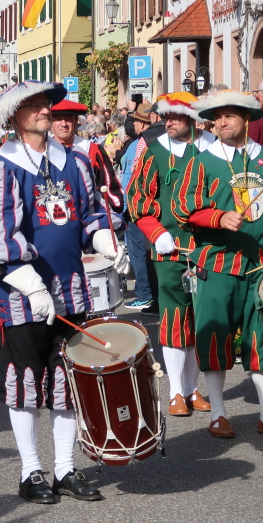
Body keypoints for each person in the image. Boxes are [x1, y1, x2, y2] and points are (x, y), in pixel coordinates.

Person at [0, 80, 112, 504]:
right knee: (25, 382)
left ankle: (66, 469)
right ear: (12, 118)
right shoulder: (1, 167)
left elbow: (90, 215)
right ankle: (30, 471)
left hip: (71, 288)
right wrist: (32, 286)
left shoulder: (75, 162)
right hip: (22, 293)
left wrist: (107, 242)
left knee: (66, 381)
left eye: (45, 105)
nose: (44, 111)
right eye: (32, 106)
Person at [175, 90, 263, 440]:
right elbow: (184, 209)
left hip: (261, 263)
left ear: (247, 119)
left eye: (229, 116)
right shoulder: (202, 160)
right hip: (216, 263)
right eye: (217, 117)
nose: (221, 122)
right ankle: (217, 413)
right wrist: (218, 217)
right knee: (214, 338)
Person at [127, 92, 215, 415]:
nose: (168, 122)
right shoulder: (156, 150)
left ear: (193, 118)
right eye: (165, 116)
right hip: (170, 249)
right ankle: (176, 392)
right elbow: (138, 198)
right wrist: (156, 233)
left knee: (200, 320)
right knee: (175, 318)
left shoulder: (213, 149)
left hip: (208, 251)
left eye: (175, 117)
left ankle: (192, 390)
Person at [49, 98, 128, 272]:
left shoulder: (91, 149)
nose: (63, 124)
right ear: (51, 123)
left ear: (76, 122)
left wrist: (107, 223)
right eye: (58, 119)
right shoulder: (42, 151)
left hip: (88, 227)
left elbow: (110, 187)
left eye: (68, 119)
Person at [120, 109, 157, 312]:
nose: (132, 126)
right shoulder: (140, 143)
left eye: (134, 122)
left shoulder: (142, 143)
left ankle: (144, 294)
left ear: (141, 124)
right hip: (136, 203)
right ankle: (147, 293)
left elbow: (135, 175)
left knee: (139, 252)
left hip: (135, 205)